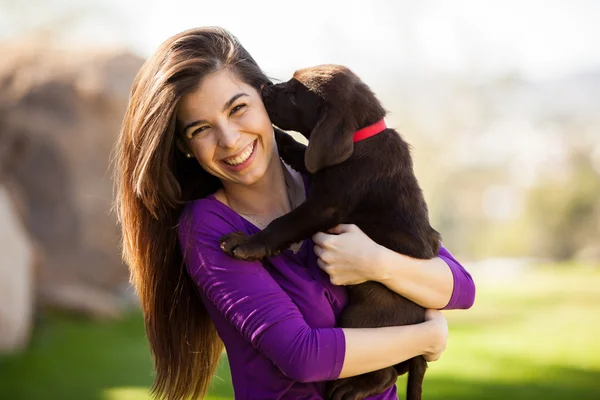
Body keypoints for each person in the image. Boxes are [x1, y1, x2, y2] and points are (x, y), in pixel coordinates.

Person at [113, 26, 475, 400]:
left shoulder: (334, 178)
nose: (230, 140)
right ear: (186, 147)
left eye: (238, 109)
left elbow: (460, 287)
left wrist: (375, 263)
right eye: (201, 129)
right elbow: (302, 356)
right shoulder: (207, 227)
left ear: (264, 97)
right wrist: (425, 337)